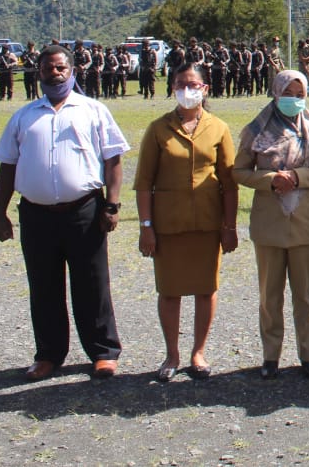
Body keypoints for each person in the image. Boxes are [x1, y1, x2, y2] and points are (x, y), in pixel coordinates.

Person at [0, 45, 128, 381]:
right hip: (36, 216)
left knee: (92, 284)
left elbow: (113, 160)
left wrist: (112, 205)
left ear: (72, 71)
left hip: (84, 211)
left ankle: (103, 352)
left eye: (60, 68)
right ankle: (49, 355)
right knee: (43, 286)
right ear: (38, 72)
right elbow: (7, 168)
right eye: (47, 68)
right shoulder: (24, 116)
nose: (54, 73)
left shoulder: (92, 110)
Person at [134, 62, 239, 382]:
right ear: (173, 88)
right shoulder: (157, 129)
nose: (187, 90)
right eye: (181, 84)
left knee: (206, 290)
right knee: (170, 291)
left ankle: (198, 353)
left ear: (205, 89)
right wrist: (146, 226)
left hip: (207, 224)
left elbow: (229, 182)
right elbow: (143, 183)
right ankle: (172, 354)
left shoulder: (218, 128)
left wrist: (230, 226)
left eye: (194, 85)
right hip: (168, 226)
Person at [234, 69, 309, 380]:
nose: (294, 99)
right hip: (269, 224)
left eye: (300, 94)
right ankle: (270, 357)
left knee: (305, 295)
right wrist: (270, 180)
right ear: (276, 93)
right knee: (270, 295)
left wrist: (297, 177)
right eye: (288, 93)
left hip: (305, 223)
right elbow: (239, 171)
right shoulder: (256, 130)